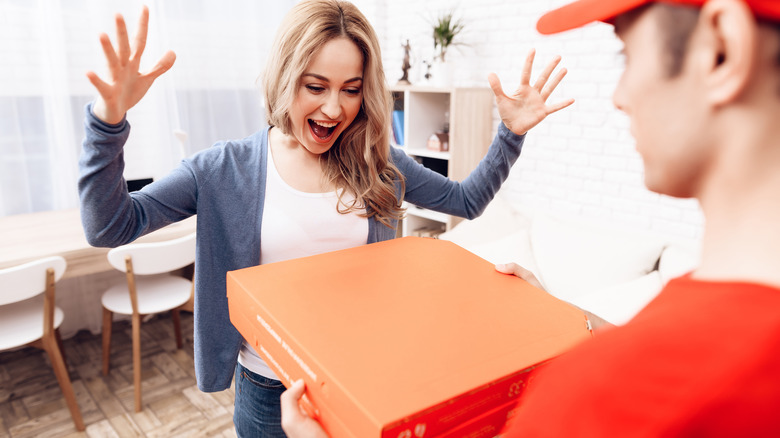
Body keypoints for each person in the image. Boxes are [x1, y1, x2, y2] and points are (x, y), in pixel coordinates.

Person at [281, 0, 780, 436]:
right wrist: (562, 317)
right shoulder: (701, 334)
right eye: (315, 85)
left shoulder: (589, 397)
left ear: (723, 50)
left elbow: (466, 199)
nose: (619, 95)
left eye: (626, 54)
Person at [78, 0, 573, 436]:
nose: (334, 108)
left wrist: (509, 135)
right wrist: (108, 121)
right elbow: (111, 226)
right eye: (316, 86)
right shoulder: (221, 169)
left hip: (367, 384)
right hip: (270, 394)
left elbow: (466, 201)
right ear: (285, 77)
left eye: (351, 89)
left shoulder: (378, 162)